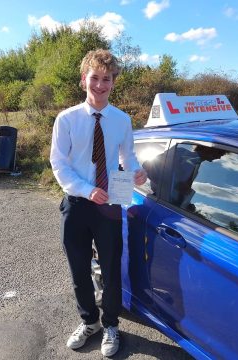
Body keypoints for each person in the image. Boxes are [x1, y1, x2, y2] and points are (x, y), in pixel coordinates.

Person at [50, 49, 147, 357]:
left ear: (113, 83)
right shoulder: (66, 119)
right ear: (84, 80)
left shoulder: (121, 120)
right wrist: (86, 189)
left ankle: (111, 325)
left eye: (107, 79)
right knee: (79, 269)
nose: (100, 85)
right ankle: (89, 321)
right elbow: (59, 164)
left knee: (111, 268)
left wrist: (137, 171)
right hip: (77, 204)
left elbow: (126, 157)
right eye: (95, 78)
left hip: (109, 204)